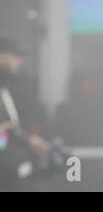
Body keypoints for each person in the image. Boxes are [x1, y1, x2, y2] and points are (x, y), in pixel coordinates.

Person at [0, 36, 50, 191]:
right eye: (16, 55)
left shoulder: (5, 90)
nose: (20, 62)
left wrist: (26, 141)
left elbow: (3, 139)